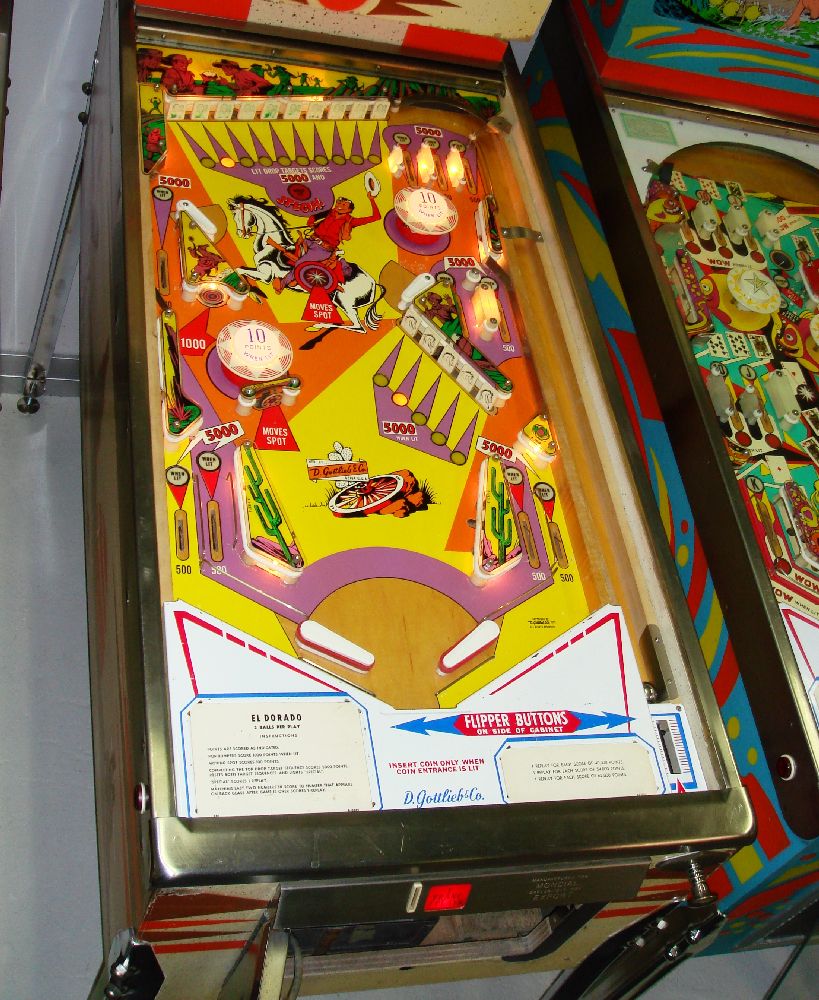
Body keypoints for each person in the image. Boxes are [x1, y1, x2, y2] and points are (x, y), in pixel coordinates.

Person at [273, 179, 381, 292]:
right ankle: (294, 277)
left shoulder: (351, 221)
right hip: (310, 240)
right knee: (289, 249)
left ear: (349, 209)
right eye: (338, 203)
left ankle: (283, 283)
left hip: (323, 249)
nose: (339, 205)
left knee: (301, 262)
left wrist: (371, 199)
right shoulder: (331, 212)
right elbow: (314, 216)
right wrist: (311, 221)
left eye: (343, 204)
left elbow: (376, 217)